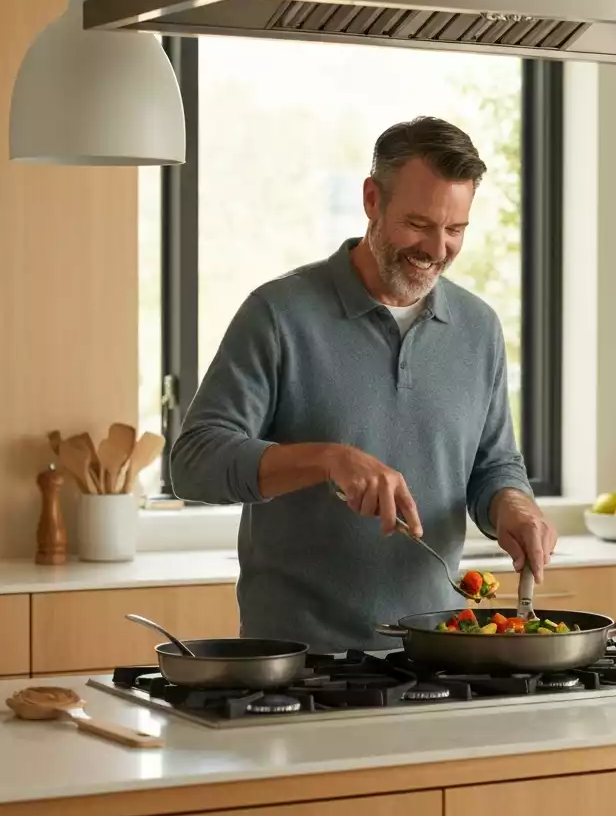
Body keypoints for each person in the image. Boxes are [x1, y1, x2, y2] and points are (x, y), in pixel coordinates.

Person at [170, 116, 557, 652]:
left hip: (441, 653)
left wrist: (513, 505)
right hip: (298, 664)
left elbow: (493, 465)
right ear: (372, 199)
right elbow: (194, 463)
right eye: (418, 224)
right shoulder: (279, 315)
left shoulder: (478, 328)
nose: (437, 249)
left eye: (455, 230)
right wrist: (329, 460)